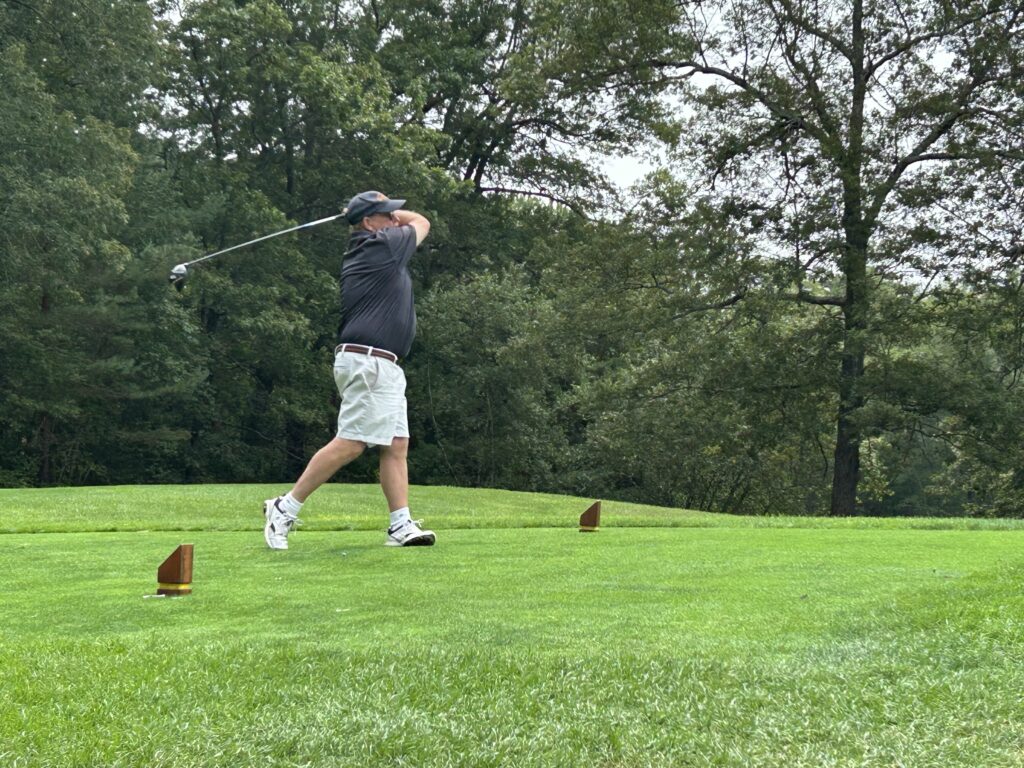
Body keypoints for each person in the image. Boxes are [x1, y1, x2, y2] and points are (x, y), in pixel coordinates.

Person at [263, 191, 435, 550]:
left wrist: (370, 209)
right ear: (369, 223)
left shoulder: (373, 244)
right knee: (353, 443)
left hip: (380, 363)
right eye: (386, 215)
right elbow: (422, 222)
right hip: (369, 361)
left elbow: (401, 222)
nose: (394, 219)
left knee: (396, 444)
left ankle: (400, 525)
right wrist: (386, 212)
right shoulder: (381, 246)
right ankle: (284, 507)